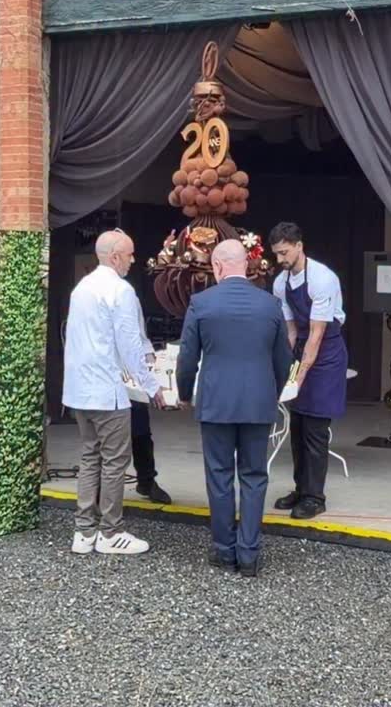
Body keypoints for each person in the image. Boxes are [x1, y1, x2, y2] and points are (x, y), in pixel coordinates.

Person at [176, 240, 292, 576]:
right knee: (254, 476)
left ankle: (224, 550)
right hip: (258, 402)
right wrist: (273, 392)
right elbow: (284, 359)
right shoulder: (270, 304)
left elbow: (187, 358)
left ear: (217, 266)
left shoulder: (201, 303)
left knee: (219, 475)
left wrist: (184, 393)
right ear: (247, 265)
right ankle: (249, 554)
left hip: (216, 402)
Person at [62, 228, 165, 556]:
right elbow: (130, 345)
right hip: (107, 390)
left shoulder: (81, 288)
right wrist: (152, 387)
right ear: (116, 256)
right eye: (130, 255)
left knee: (90, 456)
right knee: (115, 461)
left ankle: (84, 532)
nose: (133, 260)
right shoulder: (121, 290)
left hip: (79, 390)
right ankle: (110, 532)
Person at [269, 221, 348, 520]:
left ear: (299, 246)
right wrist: (286, 369)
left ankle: (315, 497)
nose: (280, 259)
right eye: (277, 254)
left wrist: (299, 378)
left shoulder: (322, 279)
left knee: (315, 427)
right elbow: (292, 332)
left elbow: (316, 334)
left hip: (326, 353)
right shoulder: (281, 283)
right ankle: (301, 489)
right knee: (298, 426)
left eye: (285, 253)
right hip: (302, 348)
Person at [129, 302, 172, 505]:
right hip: (108, 371)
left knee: (141, 430)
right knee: (107, 437)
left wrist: (151, 361)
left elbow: (141, 336)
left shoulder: (130, 297)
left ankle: (146, 480)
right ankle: (100, 488)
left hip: (134, 373)